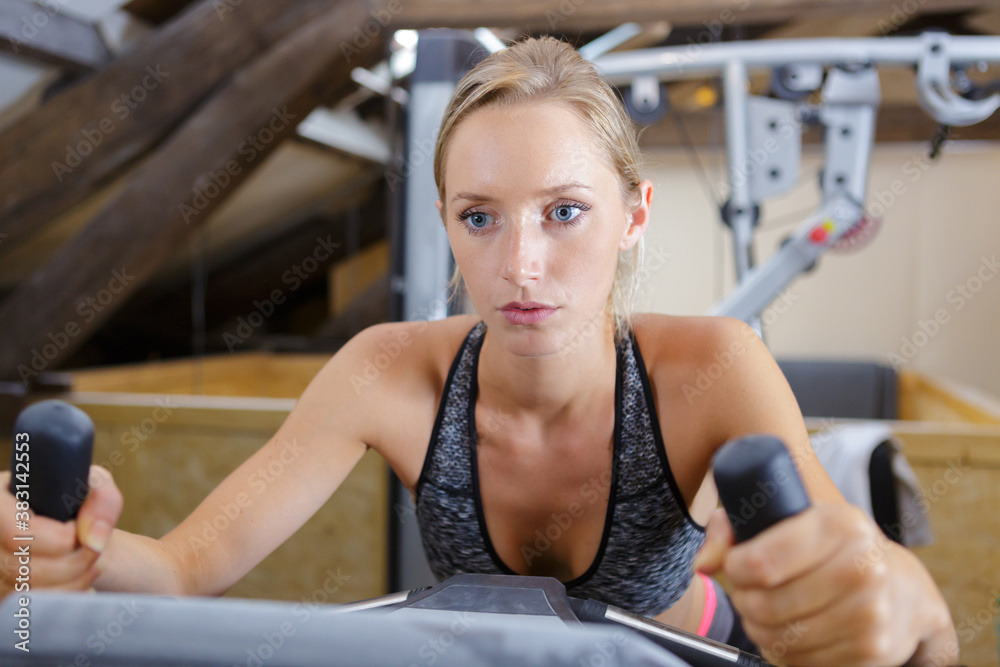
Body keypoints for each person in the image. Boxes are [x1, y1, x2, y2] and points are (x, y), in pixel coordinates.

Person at [0, 35, 957, 666]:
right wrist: (61, 553)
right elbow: (177, 571)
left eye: (566, 211)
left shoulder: (712, 367)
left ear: (636, 213)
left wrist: (906, 602)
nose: (522, 264)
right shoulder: (386, 370)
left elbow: (899, 612)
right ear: (447, 222)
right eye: (481, 217)